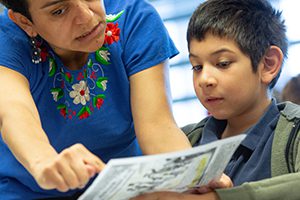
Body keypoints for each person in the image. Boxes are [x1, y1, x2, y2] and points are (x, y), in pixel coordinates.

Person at [0, 0, 192, 199]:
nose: (86, 17)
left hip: (126, 188)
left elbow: (158, 129)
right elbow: (14, 112)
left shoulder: (133, 17)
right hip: (27, 191)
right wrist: (43, 161)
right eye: (59, 11)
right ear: (25, 22)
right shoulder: (6, 40)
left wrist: (191, 179)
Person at [132, 0, 300, 200]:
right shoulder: (185, 141)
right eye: (197, 67)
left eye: (222, 63)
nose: (204, 80)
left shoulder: (293, 132)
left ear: (268, 64)